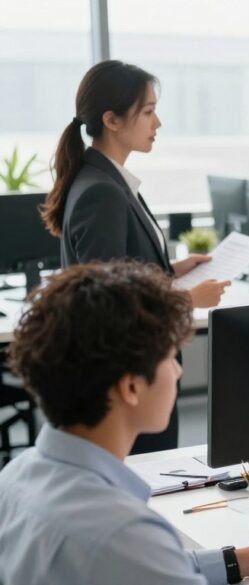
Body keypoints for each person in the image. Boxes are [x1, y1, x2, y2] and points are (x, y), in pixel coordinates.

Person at [0, 261, 249, 585]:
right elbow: (133, 556)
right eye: (170, 356)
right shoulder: (121, 532)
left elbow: (142, 568)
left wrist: (239, 560)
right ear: (131, 386)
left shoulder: (16, 477)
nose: (177, 371)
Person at [40, 60, 229, 453]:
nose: (157, 123)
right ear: (111, 120)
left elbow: (119, 270)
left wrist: (170, 269)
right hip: (128, 377)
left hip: (136, 375)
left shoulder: (108, 179)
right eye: (147, 112)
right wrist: (188, 299)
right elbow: (107, 301)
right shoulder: (101, 191)